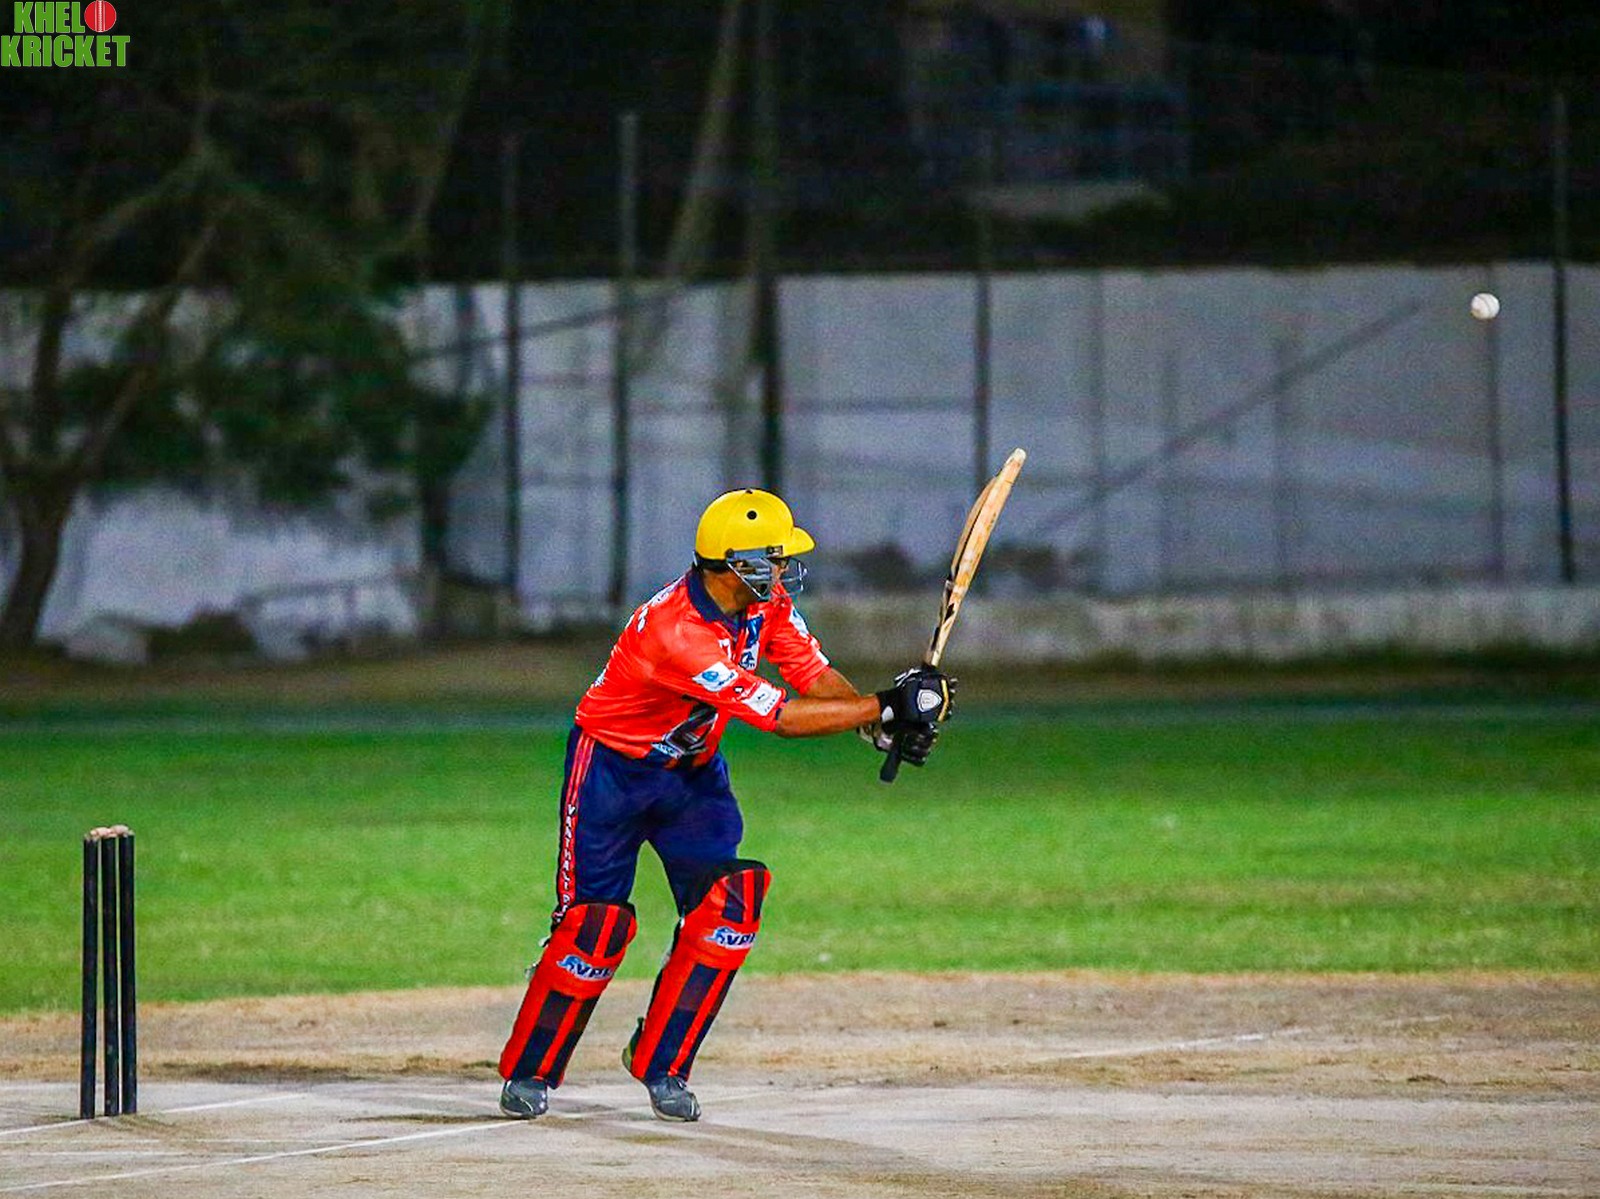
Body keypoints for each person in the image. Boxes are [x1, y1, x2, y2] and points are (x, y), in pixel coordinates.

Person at [497, 487, 954, 1122]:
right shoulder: (676, 634)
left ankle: (663, 1064)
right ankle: (530, 1070)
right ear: (737, 565)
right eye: (775, 558)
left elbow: (811, 676)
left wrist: (875, 723)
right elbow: (780, 717)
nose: (785, 569)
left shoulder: (767, 603)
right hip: (611, 775)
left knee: (731, 904)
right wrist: (884, 704)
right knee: (593, 928)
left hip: (692, 778)